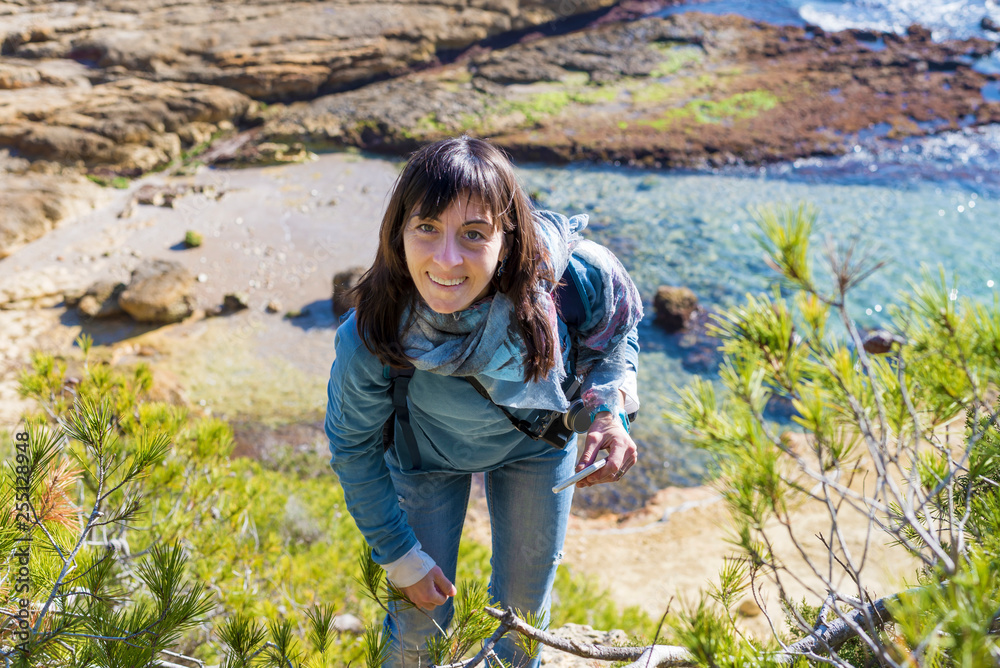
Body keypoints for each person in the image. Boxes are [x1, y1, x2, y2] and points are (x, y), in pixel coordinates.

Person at [325, 136, 642, 668]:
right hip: (424, 459)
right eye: (427, 227)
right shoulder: (373, 333)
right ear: (398, 232)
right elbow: (352, 449)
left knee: (521, 622)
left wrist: (610, 416)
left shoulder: (568, 280)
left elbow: (614, 336)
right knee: (417, 628)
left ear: (507, 240)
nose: (447, 259)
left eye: (474, 234)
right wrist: (401, 558)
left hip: (538, 448)